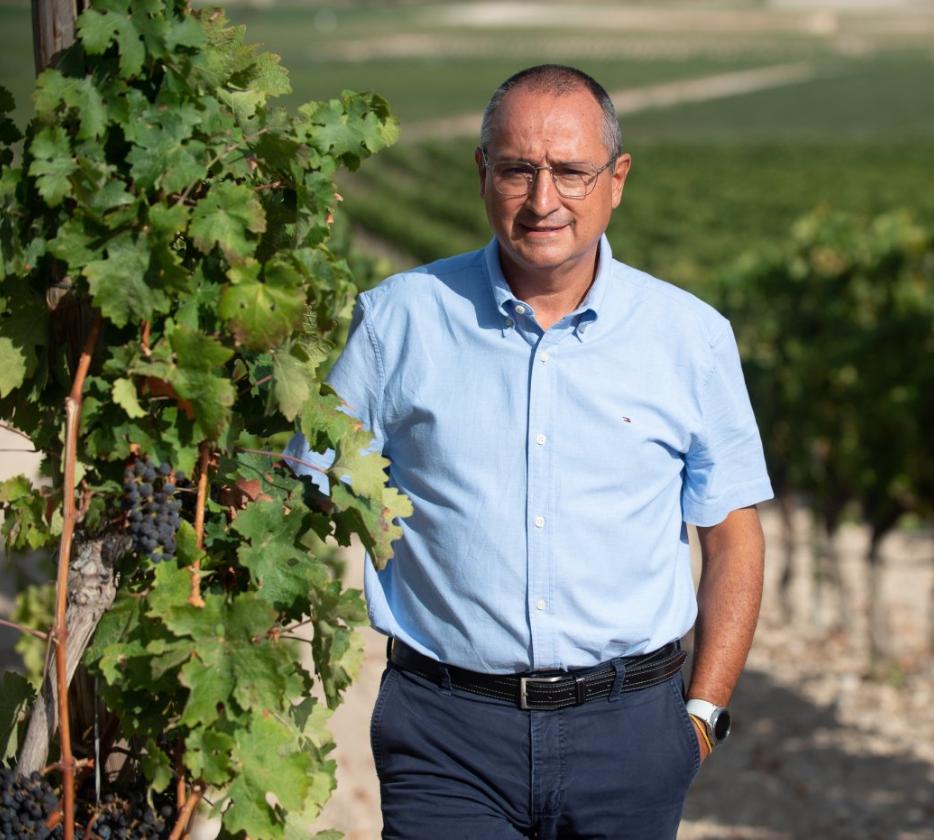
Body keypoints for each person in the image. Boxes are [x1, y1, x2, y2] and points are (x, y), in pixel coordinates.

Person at [290, 64, 772, 839]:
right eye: (518, 170)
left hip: (632, 734)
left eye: (572, 172)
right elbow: (299, 489)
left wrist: (703, 715)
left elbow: (733, 537)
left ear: (617, 180)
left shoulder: (690, 338)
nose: (544, 200)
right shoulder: (397, 322)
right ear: (483, 172)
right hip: (446, 737)